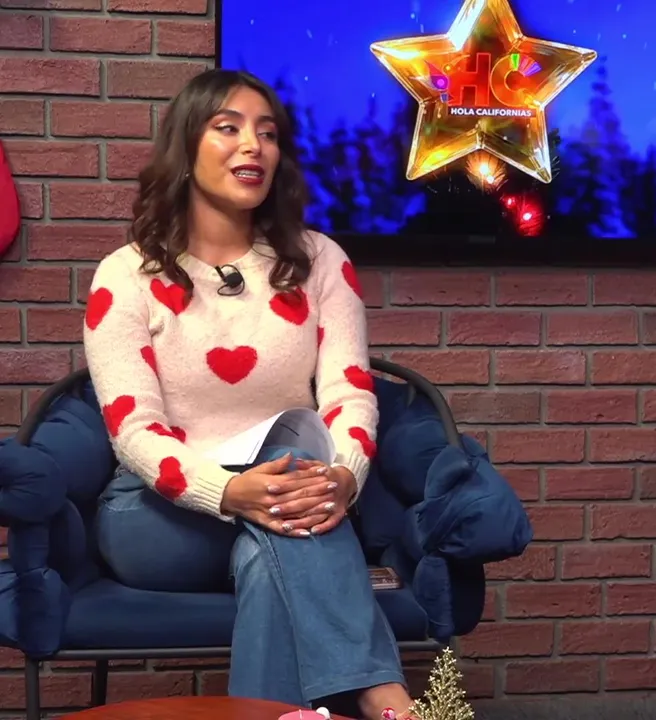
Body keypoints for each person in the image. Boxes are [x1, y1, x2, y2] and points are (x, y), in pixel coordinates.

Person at [83, 69, 419, 720]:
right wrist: (231, 491)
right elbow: (133, 430)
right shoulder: (125, 277)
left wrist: (343, 479)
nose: (253, 146)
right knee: (292, 512)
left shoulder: (321, 262)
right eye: (228, 127)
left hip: (295, 501)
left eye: (267, 133)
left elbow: (350, 394)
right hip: (159, 518)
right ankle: (384, 694)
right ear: (186, 147)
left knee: (276, 556)